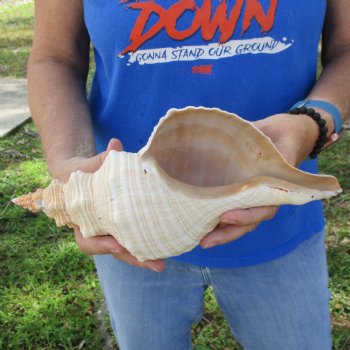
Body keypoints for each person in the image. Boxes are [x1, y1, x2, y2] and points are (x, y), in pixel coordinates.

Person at [28, 0, 349, 349]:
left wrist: (313, 121)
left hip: (283, 227)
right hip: (129, 227)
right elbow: (55, 57)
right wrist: (69, 163)